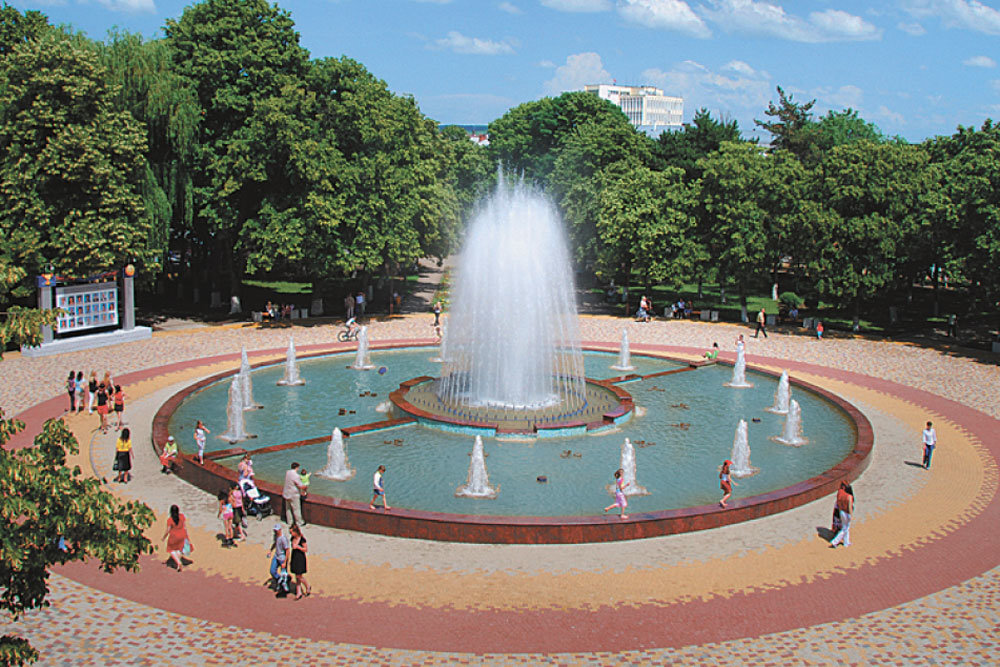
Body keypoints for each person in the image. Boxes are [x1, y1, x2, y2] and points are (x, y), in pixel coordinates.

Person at [162, 504, 190, 572]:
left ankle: (178, 562)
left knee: (171, 550)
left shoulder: (170, 520)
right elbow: (185, 526)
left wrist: (164, 537)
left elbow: (168, 530)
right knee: (179, 549)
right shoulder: (182, 516)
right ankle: (178, 563)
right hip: (182, 534)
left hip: (174, 536)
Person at [289, 523, 311, 599]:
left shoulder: (302, 539)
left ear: (295, 532)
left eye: (291, 532)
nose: (291, 534)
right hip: (294, 557)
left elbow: (306, 549)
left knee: (299, 576)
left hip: (300, 558)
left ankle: (307, 586)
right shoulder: (292, 538)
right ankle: (299, 592)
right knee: (297, 576)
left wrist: (298, 547)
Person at [830, 482, 854, 548]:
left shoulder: (841, 494)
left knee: (846, 528)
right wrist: (851, 515)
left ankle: (846, 542)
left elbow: (839, 503)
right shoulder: (849, 497)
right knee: (845, 528)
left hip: (842, 512)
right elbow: (849, 507)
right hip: (847, 513)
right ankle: (835, 542)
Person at [268, 523, 290, 591]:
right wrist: (270, 550)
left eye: (276, 530)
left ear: (280, 530)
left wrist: (285, 562)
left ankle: (285, 585)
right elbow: (275, 543)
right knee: (272, 571)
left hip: (282, 558)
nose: (275, 531)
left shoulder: (283, 539)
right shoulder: (276, 536)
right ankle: (279, 580)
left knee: (284, 573)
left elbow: (287, 550)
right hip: (276, 556)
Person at [282, 462, 305, 526]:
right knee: (296, 509)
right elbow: (300, 485)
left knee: (288, 509)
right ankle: (299, 522)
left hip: (286, 493)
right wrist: (305, 486)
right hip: (293, 495)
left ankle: (289, 522)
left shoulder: (287, 472)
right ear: (297, 467)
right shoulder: (296, 476)